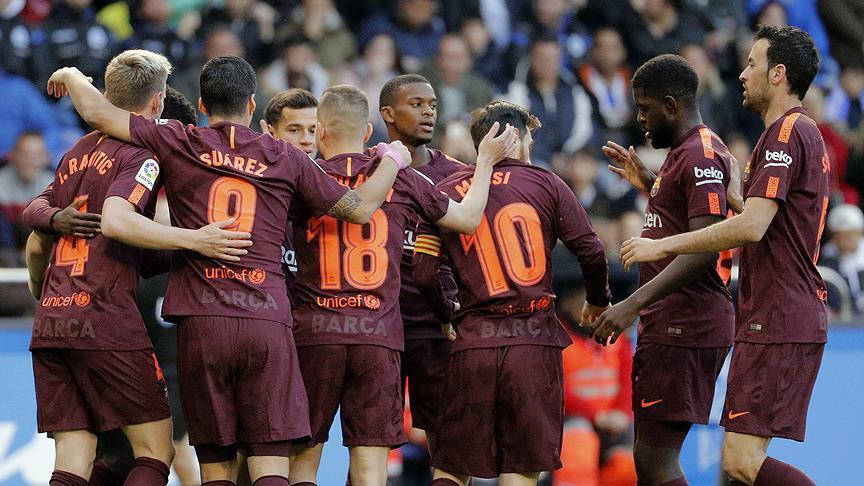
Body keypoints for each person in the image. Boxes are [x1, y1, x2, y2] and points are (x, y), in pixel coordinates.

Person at [47, 53, 412, 485]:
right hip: (266, 320)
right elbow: (360, 208)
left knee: (217, 464)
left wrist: (71, 73)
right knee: (270, 461)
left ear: (202, 105)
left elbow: (97, 112)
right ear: (252, 104)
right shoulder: (286, 156)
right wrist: (393, 159)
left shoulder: (178, 139)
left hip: (202, 323)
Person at [25, 50, 255, 486]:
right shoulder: (142, 153)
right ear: (157, 101)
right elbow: (117, 221)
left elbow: (37, 241)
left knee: (75, 453)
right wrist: (195, 240)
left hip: (53, 318)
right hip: (104, 316)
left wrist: (44, 290)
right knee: (156, 449)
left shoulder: (74, 153)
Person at [620, 26, 827, 486]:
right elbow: (770, 221)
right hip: (774, 312)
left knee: (740, 462)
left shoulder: (785, 134)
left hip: (779, 313)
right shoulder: (794, 132)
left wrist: (664, 244)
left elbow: (752, 228)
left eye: (752, 64)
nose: (742, 74)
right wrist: (732, 198)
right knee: (738, 464)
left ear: (778, 74)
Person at [287, 84, 516, 486]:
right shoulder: (401, 176)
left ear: (320, 131)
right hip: (378, 336)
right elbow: (466, 219)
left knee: (303, 460)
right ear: (367, 132)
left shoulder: (304, 176)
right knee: (370, 468)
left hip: (316, 333)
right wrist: (483, 162)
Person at [412, 100, 611, 486]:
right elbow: (591, 249)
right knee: (520, 469)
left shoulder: (445, 191)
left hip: (474, 342)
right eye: (530, 141)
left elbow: (423, 273)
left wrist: (446, 313)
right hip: (532, 342)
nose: (530, 151)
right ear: (514, 138)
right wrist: (597, 300)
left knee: (453, 467)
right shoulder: (547, 183)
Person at [591, 54, 737, 486]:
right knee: (649, 460)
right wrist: (653, 183)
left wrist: (631, 305)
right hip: (675, 321)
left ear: (671, 105)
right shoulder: (685, 153)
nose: (639, 118)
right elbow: (689, 218)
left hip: (686, 323)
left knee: (656, 462)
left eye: (644, 108)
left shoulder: (699, 154)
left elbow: (706, 245)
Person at [377, 73, 466, 474]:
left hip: (438, 326)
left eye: (432, 105)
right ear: (387, 113)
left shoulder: (457, 175)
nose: (428, 112)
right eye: (416, 104)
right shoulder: (367, 169)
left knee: (448, 445)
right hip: (380, 326)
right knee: (370, 447)